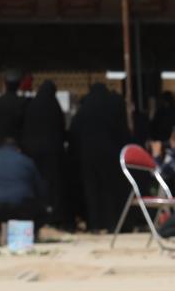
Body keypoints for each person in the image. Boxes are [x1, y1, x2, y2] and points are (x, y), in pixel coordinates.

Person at [71, 80, 131, 231]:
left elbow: (75, 132)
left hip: (88, 155)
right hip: (110, 154)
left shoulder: (85, 108)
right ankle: (111, 224)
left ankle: (94, 225)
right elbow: (123, 131)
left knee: (91, 190)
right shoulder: (113, 106)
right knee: (109, 189)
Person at [0, 136, 49, 236]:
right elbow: (40, 190)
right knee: (44, 210)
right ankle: (28, 233)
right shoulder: (26, 161)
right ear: (18, 149)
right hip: (22, 209)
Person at [20, 78, 69, 228]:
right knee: (53, 185)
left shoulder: (31, 106)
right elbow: (61, 130)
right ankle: (53, 216)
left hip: (33, 154)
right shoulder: (54, 106)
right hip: (52, 154)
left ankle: (38, 215)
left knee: (36, 183)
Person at [0, 69, 29, 152]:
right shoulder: (24, 103)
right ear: (18, 84)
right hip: (20, 147)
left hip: (1, 146)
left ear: (5, 83)